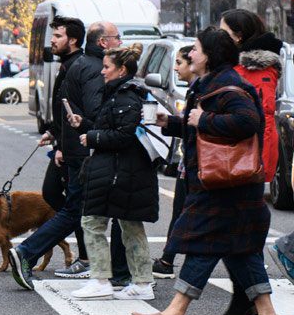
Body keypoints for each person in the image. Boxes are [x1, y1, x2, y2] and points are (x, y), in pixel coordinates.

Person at [134, 28, 281, 315]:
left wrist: (204, 120)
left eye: (197, 50)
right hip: (227, 183)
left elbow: (247, 122)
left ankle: (174, 314)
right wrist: (170, 123)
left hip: (227, 184)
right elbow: (202, 132)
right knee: (240, 249)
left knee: (203, 243)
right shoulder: (209, 84)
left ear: (210, 56)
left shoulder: (228, 86)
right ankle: (266, 314)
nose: (191, 55)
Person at [11, 19, 129, 288]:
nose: (120, 42)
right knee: (77, 210)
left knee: (83, 210)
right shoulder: (93, 69)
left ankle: (111, 268)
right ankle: (25, 252)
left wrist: (57, 136)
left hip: (77, 149)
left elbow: (68, 108)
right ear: (104, 42)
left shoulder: (81, 64)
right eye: (117, 37)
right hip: (86, 151)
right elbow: (92, 111)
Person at [65, 43, 158, 300]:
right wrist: (84, 124)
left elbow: (124, 135)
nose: (102, 72)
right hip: (123, 172)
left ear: (122, 70)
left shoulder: (125, 96)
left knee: (93, 223)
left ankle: (102, 280)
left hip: (119, 173)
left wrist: (92, 137)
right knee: (129, 227)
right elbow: (114, 126)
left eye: (107, 67)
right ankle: (140, 283)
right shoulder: (122, 93)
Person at [214, 9, 283, 315]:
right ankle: (247, 302)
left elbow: (264, 120)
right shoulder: (237, 66)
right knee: (234, 235)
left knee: (236, 235)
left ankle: (252, 303)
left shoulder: (256, 69)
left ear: (239, 36)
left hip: (246, 163)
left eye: (223, 30)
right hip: (236, 160)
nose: (218, 34)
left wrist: (260, 167)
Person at [153, 45, 195, 279]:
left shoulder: (204, 91)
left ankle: (168, 260)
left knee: (187, 213)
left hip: (197, 165)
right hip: (188, 162)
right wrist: (169, 122)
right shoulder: (194, 90)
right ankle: (167, 259)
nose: (176, 68)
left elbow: (198, 128)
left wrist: (174, 123)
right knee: (180, 211)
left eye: (180, 62)